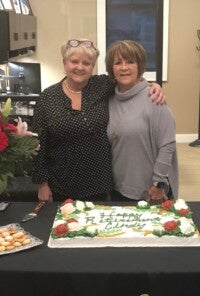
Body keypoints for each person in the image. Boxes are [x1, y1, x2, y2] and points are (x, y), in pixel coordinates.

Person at [30, 39, 165, 203]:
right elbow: (36, 144)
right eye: (74, 61)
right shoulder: (48, 98)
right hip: (61, 184)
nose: (80, 67)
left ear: (92, 67)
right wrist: (42, 184)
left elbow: (128, 78)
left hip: (100, 185)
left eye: (86, 63)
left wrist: (152, 86)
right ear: (64, 63)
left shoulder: (102, 85)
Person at [105, 40, 178, 202]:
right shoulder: (109, 99)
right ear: (112, 68)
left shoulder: (154, 98)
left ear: (140, 66)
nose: (124, 67)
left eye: (130, 62)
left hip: (151, 191)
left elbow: (167, 145)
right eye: (118, 63)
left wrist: (158, 184)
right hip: (119, 188)